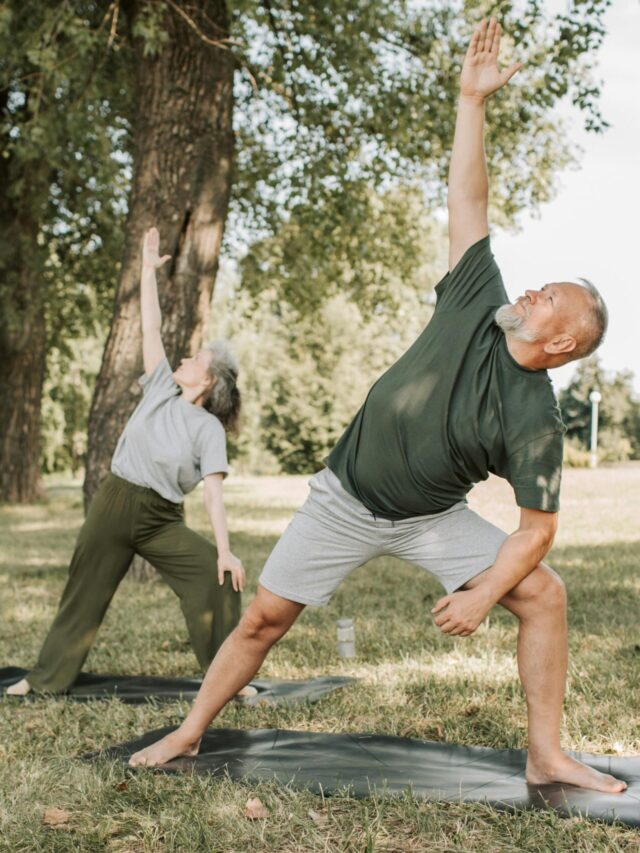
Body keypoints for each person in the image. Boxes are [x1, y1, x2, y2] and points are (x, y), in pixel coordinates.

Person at [128, 20, 625, 794]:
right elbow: (468, 193)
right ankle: (188, 734)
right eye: (541, 282)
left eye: (551, 296)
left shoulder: (534, 415)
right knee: (263, 620)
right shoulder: (478, 298)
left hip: (428, 515)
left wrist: (485, 591)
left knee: (544, 593)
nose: (534, 289)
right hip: (345, 496)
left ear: (562, 343)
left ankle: (547, 754)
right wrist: (470, 100)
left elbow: (538, 530)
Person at [8, 227, 247, 697]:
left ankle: (229, 681)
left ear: (208, 380)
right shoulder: (160, 385)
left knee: (213, 575)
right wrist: (146, 271)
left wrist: (224, 550)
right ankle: (44, 680)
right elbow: (151, 327)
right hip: (115, 503)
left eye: (194, 358)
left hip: (161, 519)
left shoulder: (208, 430)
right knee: (84, 590)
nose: (183, 356)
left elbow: (214, 495)